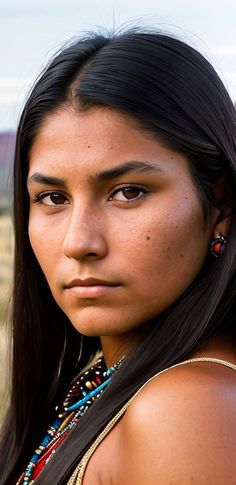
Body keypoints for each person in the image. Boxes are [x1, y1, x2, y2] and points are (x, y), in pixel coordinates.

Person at [0, 26, 236, 485]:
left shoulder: (187, 408)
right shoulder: (122, 384)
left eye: (128, 192)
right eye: (52, 198)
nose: (79, 242)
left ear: (220, 206)